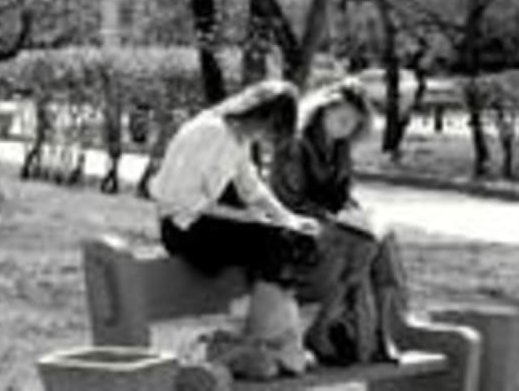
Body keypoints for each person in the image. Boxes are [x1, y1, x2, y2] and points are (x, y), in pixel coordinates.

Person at [149, 79, 321, 377]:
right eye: (271, 129)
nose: (267, 138)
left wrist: (288, 218)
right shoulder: (210, 132)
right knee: (274, 243)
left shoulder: (238, 137)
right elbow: (181, 200)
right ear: (259, 114)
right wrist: (243, 218)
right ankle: (261, 344)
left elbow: (251, 188)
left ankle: (271, 342)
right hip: (183, 228)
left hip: (208, 224)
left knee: (295, 239)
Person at [270, 78, 408, 365]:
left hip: (334, 229)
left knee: (383, 239)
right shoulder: (294, 145)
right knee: (361, 244)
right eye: (343, 119)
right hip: (294, 228)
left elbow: (342, 195)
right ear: (323, 111)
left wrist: (359, 215)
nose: (347, 128)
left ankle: (383, 332)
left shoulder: (340, 149)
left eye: (354, 123)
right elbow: (288, 200)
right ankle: (324, 328)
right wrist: (331, 218)